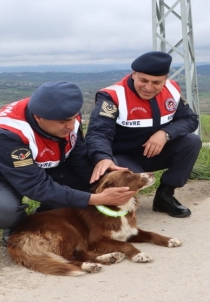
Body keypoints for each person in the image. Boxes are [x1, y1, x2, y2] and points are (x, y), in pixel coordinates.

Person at [0, 82, 136, 245]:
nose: (71, 125)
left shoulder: (66, 118)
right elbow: (34, 186)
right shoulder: (6, 133)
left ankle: (46, 214)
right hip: (1, 175)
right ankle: (17, 226)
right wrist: (95, 199)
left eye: (73, 118)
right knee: (1, 210)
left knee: (84, 191)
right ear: (38, 117)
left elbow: (80, 160)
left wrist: (102, 186)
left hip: (49, 166)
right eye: (63, 122)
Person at [86, 51, 202, 218]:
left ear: (165, 79)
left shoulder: (172, 89)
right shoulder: (112, 96)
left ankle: (165, 196)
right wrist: (102, 157)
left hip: (153, 151)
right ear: (134, 74)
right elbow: (98, 133)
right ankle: (115, 208)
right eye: (143, 80)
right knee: (130, 181)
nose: (148, 87)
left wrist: (165, 133)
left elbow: (190, 119)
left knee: (191, 142)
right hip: (121, 157)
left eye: (156, 82)